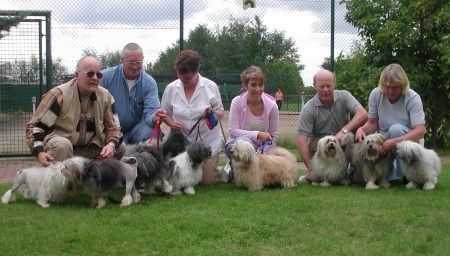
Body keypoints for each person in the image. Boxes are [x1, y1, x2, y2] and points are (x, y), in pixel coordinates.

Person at [26, 56, 126, 167]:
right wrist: (39, 152)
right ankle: (59, 178)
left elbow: (114, 129)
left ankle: (90, 176)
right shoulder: (59, 95)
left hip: (90, 150)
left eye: (98, 75)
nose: (94, 78)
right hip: (64, 150)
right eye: (90, 74)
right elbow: (34, 126)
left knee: (120, 147)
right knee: (62, 145)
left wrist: (111, 145)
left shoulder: (105, 97)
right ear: (77, 75)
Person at [161, 50, 225, 185]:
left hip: (206, 143)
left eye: (188, 77)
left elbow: (220, 112)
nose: (183, 80)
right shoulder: (170, 88)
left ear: (196, 72)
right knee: (175, 177)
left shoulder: (210, 87)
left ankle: (217, 169)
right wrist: (171, 123)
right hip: (181, 143)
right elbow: (165, 113)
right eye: (180, 76)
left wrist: (211, 113)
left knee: (206, 182)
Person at [355, 63, 425, 181]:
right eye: (387, 86)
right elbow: (372, 123)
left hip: (406, 141)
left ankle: (406, 175)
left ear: (402, 85)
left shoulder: (413, 98)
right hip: (383, 139)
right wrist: (361, 129)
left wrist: (392, 142)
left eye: (394, 87)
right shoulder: (375, 94)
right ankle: (383, 174)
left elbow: (420, 131)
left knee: (396, 129)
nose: (390, 90)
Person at [296, 69, 368, 182]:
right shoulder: (308, 109)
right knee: (319, 144)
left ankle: (356, 171)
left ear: (334, 83)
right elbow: (301, 140)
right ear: (314, 86)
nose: (325, 90)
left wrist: (343, 132)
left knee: (361, 135)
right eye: (321, 86)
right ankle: (321, 172)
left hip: (343, 140)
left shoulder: (344, 96)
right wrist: (311, 169)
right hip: (320, 145)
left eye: (329, 86)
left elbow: (363, 114)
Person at [100, 43, 165, 144]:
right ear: (122, 60)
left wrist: (154, 118)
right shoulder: (105, 78)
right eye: (130, 63)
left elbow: (150, 111)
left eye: (138, 62)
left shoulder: (149, 83)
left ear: (143, 59)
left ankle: (145, 159)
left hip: (137, 129)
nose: (135, 67)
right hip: (110, 129)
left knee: (154, 135)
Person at [224, 66, 279, 161]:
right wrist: (257, 134)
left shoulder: (272, 106)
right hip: (237, 147)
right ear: (245, 86)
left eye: (261, 85)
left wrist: (263, 154)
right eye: (253, 85)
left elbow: (273, 137)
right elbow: (233, 131)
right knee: (246, 143)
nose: (258, 89)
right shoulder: (237, 102)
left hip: (260, 150)